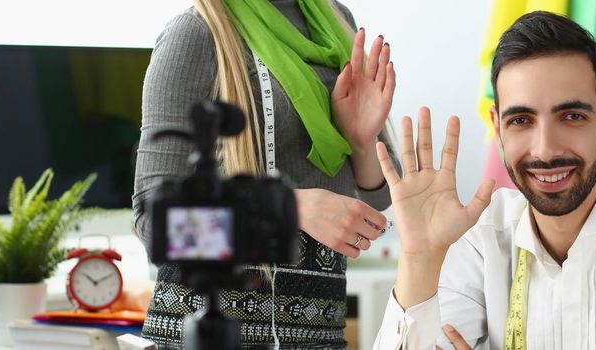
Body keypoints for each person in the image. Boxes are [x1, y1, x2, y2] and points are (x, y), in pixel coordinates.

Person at [371, 11, 596, 349]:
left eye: (571, 116)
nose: (545, 149)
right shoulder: (477, 239)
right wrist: (420, 256)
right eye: (521, 120)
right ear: (498, 128)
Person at [131, 0, 399, 348]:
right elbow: (152, 224)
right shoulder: (196, 33)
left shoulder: (333, 20)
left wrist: (361, 142)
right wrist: (290, 207)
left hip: (319, 335)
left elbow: (379, 196)